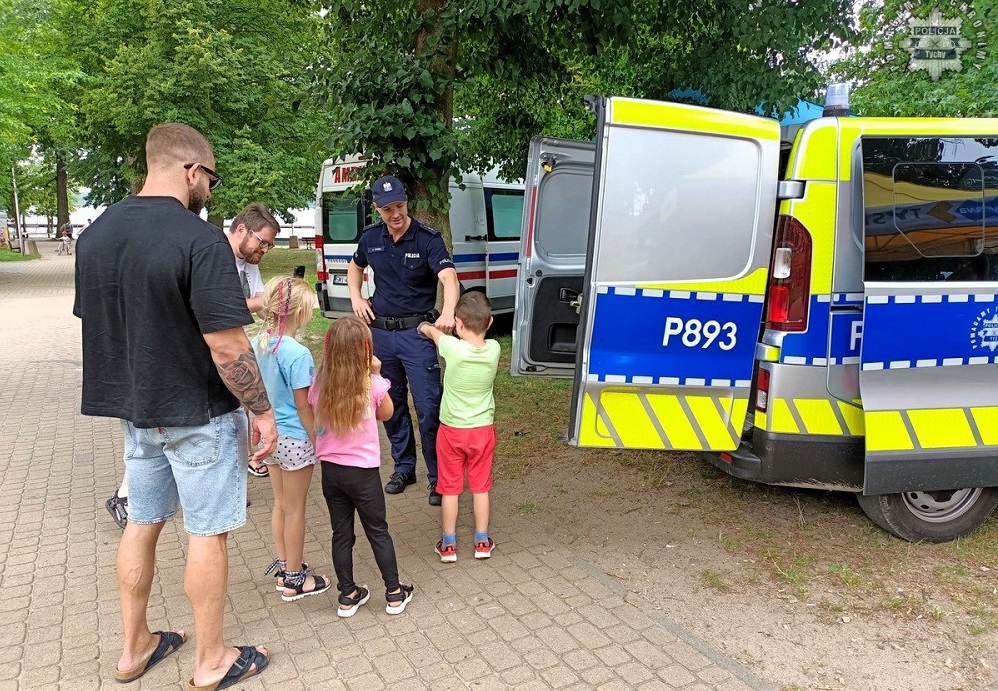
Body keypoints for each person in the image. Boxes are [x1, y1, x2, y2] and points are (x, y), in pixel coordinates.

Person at [74, 122, 275, 689]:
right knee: (206, 533)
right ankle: (211, 660)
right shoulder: (199, 238)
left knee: (141, 522)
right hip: (199, 414)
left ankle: (133, 648)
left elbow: (103, 325)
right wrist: (262, 412)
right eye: (210, 177)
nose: (210, 188)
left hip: (137, 412)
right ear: (191, 170)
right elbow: (228, 343)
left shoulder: (95, 236)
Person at [347, 175, 460, 506]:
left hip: (417, 334)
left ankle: (438, 477)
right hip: (381, 334)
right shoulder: (371, 237)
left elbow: (449, 278)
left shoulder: (427, 239)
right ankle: (404, 468)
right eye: (387, 209)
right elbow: (355, 268)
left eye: (399, 206)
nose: (395, 214)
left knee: (428, 407)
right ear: (377, 209)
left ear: (407, 202)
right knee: (390, 405)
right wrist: (356, 297)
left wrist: (449, 311)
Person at [310, 316, 415, 617]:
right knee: (378, 531)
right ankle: (394, 593)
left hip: (331, 473)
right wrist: (379, 374)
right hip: (364, 475)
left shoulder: (320, 384)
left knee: (341, 534)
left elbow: (314, 406)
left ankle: (347, 595)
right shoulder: (372, 384)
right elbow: (387, 414)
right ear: (365, 350)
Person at [252, 277, 331, 601]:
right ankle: (295, 579)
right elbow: (304, 405)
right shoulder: (298, 354)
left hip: (271, 437)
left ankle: (286, 563)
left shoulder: (260, 343)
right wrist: (318, 442)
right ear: (299, 310)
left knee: (281, 504)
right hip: (296, 438)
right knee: (296, 510)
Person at [417, 292, 501, 561]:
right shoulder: (495, 350)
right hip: (482, 431)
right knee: (480, 487)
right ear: (489, 323)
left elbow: (430, 332)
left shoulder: (452, 347)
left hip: (452, 431)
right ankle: (481, 542)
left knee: (450, 489)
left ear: (458, 323)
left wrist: (427, 325)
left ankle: (449, 545)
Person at [225, 202, 280, 478]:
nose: (264, 250)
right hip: (214, 346)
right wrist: (264, 301)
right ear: (242, 229)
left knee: (243, 402)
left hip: (235, 340)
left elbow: (260, 303)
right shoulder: (215, 256)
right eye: (263, 243)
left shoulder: (248, 262)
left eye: (269, 245)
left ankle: (247, 457)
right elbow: (225, 306)